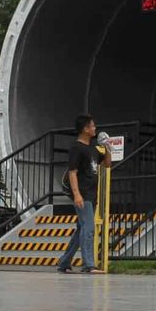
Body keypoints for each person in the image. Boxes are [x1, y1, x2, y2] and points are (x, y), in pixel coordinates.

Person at [57, 114, 111, 274]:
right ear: (85, 129)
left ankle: (64, 262)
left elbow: (107, 164)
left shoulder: (93, 149)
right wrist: (77, 194)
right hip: (83, 194)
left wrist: (108, 148)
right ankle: (89, 265)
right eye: (92, 126)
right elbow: (72, 172)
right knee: (89, 228)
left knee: (81, 229)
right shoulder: (76, 148)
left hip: (92, 195)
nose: (95, 128)